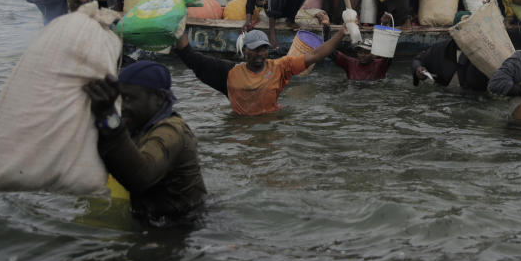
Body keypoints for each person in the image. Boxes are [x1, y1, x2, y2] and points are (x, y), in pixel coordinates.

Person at [84, 61, 206, 222]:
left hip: (182, 227)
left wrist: (109, 117)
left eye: (128, 98)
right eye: (119, 100)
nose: (122, 107)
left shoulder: (172, 131)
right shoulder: (138, 127)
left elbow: (141, 176)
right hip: (150, 220)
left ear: (158, 98)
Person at [174, 27, 344, 115]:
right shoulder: (228, 73)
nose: (260, 54)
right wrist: (178, 28)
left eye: (263, 49)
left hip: (272, 123)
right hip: (242, 127)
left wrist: (342, 32)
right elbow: (190, 57)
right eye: (255, 49)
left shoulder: (280, 67)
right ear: (245, 51)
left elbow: (315, 54)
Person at [411, 38, 489, 91]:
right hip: (443, 96)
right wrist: (418, 69)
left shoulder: (486, 54)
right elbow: (418, 60)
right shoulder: (440, 48)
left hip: (473, 100)